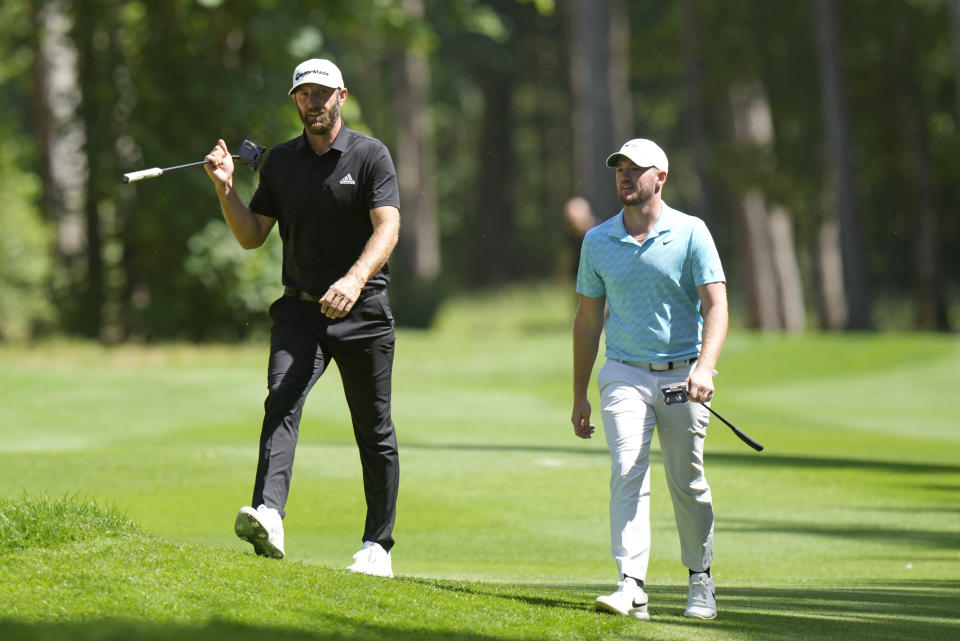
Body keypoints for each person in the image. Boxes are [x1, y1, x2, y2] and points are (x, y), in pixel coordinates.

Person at [203, 58, 401, 578]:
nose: (312, 102)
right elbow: (252, 236)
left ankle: (377, 546)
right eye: (303, 94)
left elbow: (388, 230)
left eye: (322, 93)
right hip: (300, 309)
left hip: (364, 311)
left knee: (373, 428)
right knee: (282, 399)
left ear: (342, 96)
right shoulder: (282, 163)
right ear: (295, 101)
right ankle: (269, 513)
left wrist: (355, 280)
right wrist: (226, 188)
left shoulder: (371, 155)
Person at [570, 138, 728, 620]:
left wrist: (704, 367)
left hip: (683, 375)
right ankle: (631, 584)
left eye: (636, 169)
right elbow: (588, 320)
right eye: (619, 168)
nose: (624, 176)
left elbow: (716, 305)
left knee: (687, 481)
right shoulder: (597, 240)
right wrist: (579, 393)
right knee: (627, 470)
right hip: (623, 373)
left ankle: (700, 580)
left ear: (660, 177)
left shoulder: (691, 232)